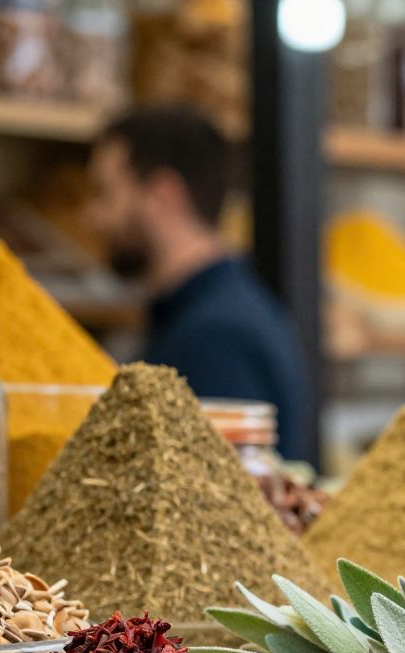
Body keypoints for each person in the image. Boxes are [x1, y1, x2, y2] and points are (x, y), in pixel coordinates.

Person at [84, 105, 314, 464]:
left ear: (162, 196)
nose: (92, 217)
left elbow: (209, 503)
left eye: (105, 194)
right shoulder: (211, 309)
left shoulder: (214, 336)